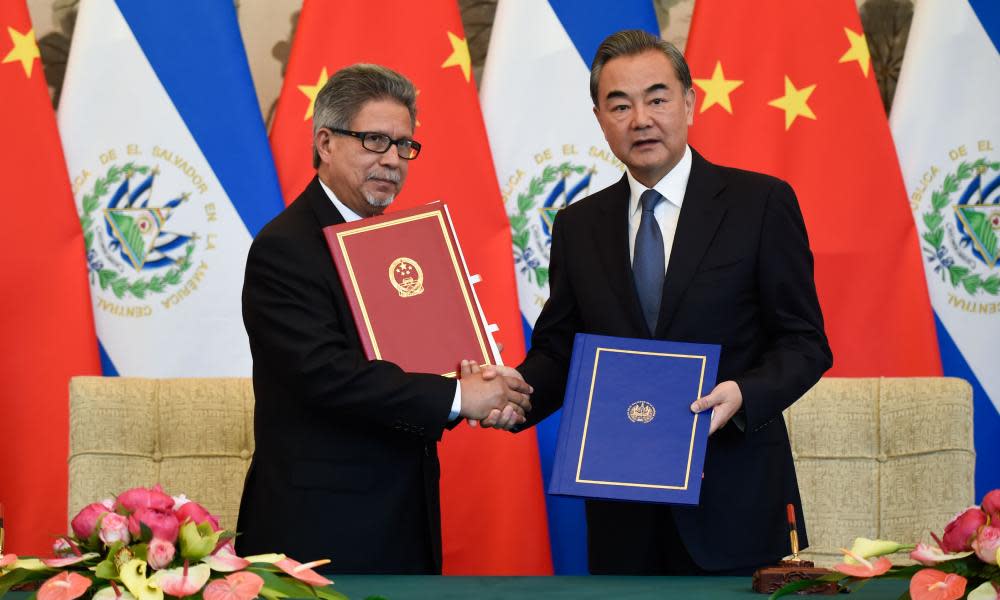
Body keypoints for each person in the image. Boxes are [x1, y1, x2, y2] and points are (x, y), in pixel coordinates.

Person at [484, 29, 832, 575]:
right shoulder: (579, 226)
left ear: (689, 103)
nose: (640, 118)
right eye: (619, 105)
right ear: (599, 118)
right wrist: (516, 394)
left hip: (733, 502)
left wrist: (743, 394)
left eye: (657, 98)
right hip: (622, 510)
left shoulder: (759, 204)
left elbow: (805, 343)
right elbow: (560, 350)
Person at [235, 63, 531, 574]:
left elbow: (415, 364)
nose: (392, 160)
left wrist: (475, 382)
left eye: (403, 145)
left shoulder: (392, 244)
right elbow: (326, 375)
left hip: (402, 516)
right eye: (374, 140)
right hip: (319, 531)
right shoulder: (284, 248)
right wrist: (461, 397)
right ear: (325, 143)